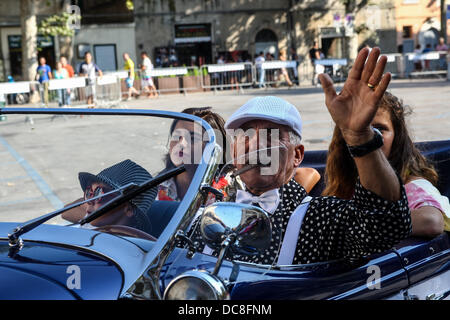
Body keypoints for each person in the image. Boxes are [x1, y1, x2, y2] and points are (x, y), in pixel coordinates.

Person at [189, 47, 411, 266]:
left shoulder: (317, 217)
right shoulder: (208, 211)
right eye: (245, 135)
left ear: (297, 155)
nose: (255, 144)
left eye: (270, 135)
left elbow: (386, 225)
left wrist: (361, 137)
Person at [323, 92, 449, 237]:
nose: (367, 138)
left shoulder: (412, 188)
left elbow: (431, 221)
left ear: (397, 138)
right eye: (357, 130)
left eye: (379, 129)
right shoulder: (344, 186)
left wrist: (363, 225)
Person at [62, 159, 157, 235]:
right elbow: (65, 212)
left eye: (99, 193)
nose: (89, 202)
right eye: (88, 191)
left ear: (128, 209)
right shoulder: (97, 220)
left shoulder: (123, 245)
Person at [157, 107, 228, 202]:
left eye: (193, 138)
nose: (181, 143)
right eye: (177, 136)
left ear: (215, 148)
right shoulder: (154, 187)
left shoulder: (230, 191)